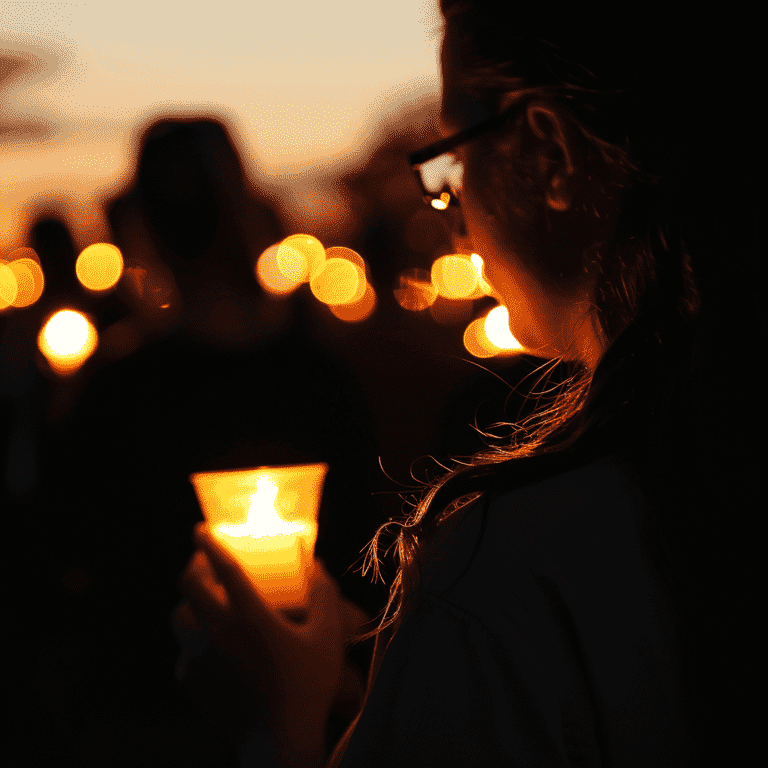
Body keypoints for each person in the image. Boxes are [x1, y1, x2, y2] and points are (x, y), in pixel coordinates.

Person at [176, 3, 764, 767]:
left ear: (549, 152)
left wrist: (274, 719)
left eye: (451, 163)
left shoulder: (508, 564)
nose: (450, 219)